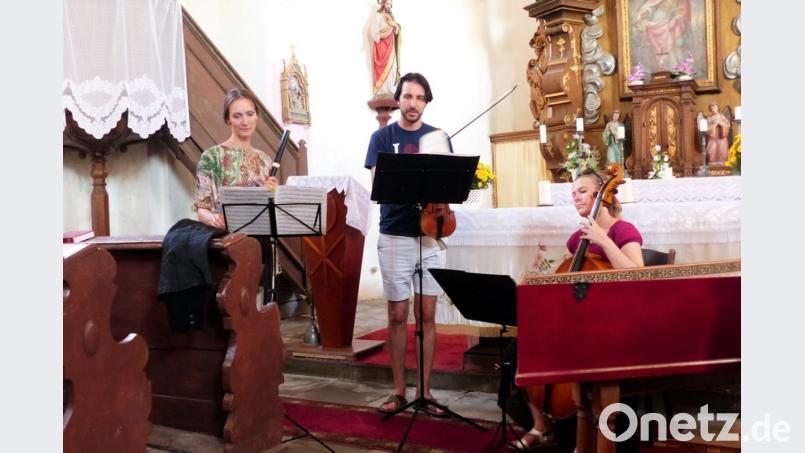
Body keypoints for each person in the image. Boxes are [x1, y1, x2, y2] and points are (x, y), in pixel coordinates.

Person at [509, 169, 644, 450]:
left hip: (613, 321)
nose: (575, 197)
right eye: (572, 194)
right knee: (518, 349)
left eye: (582, 191)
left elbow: (637, 273)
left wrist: (604, 239)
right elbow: (569, 282)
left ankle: (583, 429)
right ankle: (540, 424)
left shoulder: (623, 230)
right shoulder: (577, 239)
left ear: (600, 195)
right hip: (583, 319)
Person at [364, 72, 452, 417]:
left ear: (426, 102)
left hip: (431, 234)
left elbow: (451, 184)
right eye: (407, 96)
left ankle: (426, 392)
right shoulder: (382, 137)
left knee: (427, 314)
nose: (413, 103)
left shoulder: (438, 137)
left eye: (419, 97)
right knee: (397, 314)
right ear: (398, 99)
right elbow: (378, 186)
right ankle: (399, 390)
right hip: (396, 234)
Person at [194, 87, 279, 228]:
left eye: (250, 114)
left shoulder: (265, 160)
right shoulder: (210, 157)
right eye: (237, 116)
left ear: (257, 116)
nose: (245, 122)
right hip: (225, 240)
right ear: (228, 119)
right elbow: (202, 209)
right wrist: (213, 219)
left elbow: (269, 211)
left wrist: (273, 193)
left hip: (259, 237)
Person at [633, 0, 692, 70]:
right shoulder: (658, 11)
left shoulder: (681, 3)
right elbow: (649, 6)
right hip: (658, 23)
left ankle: (674, 68)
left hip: (669, 25)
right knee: (660, 48)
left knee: (673, 46)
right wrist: (645, 15)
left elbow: (683, 11)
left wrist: (677, 17)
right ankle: (663, 66)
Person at [370, 0, 401, 98]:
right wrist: (379, 35)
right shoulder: (379, 16)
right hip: (382, 46)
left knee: (392, 67)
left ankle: (390, 89)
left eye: (390, 4)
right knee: (383, 67)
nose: (389, 6)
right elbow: (374, 30)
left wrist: (396, 28)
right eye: (387, 3)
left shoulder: (392, 17)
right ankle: (381, 90)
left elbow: (395, 31)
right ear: (383, 4)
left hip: (390, 45)